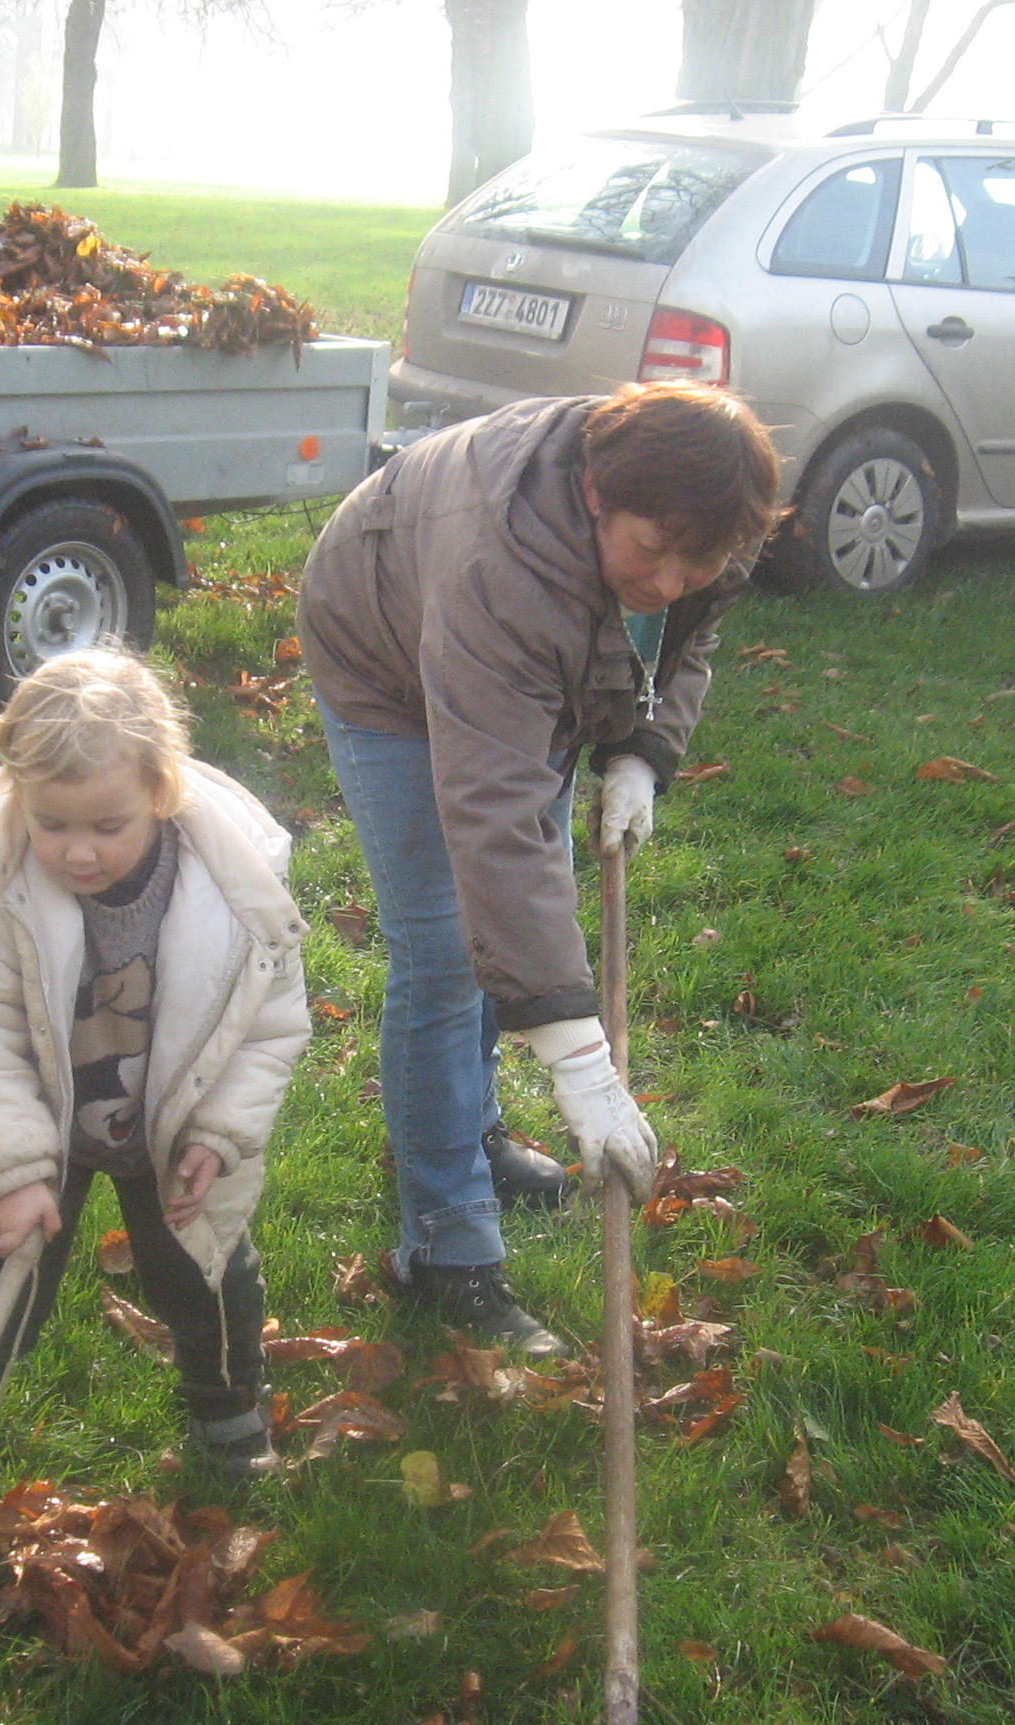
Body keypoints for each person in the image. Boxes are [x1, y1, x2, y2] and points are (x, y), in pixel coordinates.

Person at [297, 381, 781, 1355]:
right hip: (383, 652)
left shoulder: (704, 514)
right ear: (598, 493)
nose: (671, 581)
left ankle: (470, 1136)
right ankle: (446, 1245)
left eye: (704, 561)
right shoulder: (503, 570)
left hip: (527, 671)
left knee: (511, 910)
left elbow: (681, 638)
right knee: (443, 950)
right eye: (652, 553)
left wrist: (641, 749)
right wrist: (581, 1061)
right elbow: (495, 824)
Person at [0, 648, 311, 1576]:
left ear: (163, 789)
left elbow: (269, 1025)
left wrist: (219, 1134)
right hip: (41, 1116)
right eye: (53, 824)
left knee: (205, 1272)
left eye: (108, 824)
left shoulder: (237, 885)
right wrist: (14, 1171)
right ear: (17, 796)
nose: (79, 850)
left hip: (169, 1117)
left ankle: (227, 1414)